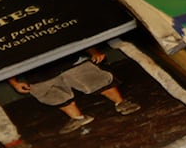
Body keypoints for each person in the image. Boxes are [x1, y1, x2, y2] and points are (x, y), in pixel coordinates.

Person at [9, 47, 139, 134]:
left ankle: (122, 103)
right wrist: (14, 82)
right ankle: (78, 118)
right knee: (51, 95)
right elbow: (2, 59)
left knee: (95, 80)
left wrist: (94, 52)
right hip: (37, 75)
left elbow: (74, 33)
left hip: (71, 62)